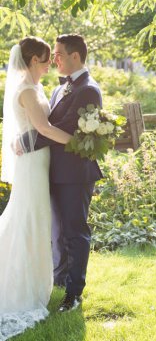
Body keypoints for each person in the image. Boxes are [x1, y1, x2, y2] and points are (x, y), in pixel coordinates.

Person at [0, 37, 72, 340]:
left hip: (38, 161)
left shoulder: (36, 87)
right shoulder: (27, 90)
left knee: (35, 221)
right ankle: (20, 289)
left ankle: (33, 279)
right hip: (31, 165)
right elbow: (42, 129)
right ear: (32, 62)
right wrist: (79, 141)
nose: (49, 65)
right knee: (27, 221)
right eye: (45, 61)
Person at [25, 34, 103, 312]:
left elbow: (67, 128)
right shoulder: (61, 89)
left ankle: (74, 294)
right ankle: (60, 282)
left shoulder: (88, 90)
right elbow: (50, 123)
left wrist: (27, 142)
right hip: (56, 171)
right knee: (57, 231)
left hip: (75, 174)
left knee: (74, 232)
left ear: (75, 56)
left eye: (58, 54)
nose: (53, 59)